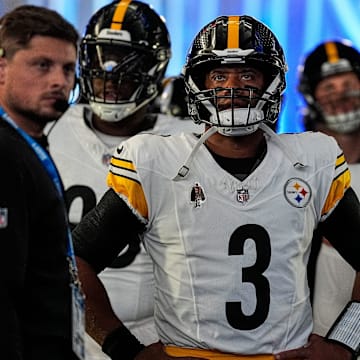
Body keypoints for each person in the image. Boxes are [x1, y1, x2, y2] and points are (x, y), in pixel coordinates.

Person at [73, 15, 360, 360]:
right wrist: (125, 349)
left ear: (271, 82)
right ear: (197, 82)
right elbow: (75, 261)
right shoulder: (157, 161)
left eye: (248, 74)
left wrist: (345, 342)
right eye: (219, 75)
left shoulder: (312, 160)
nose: (232, 88)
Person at [47, 1, 202, 359]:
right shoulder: (49, 127)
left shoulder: (190, 143)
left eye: (126, 61)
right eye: (103, 58)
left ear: (156, 67)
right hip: (54, 326)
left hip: (155, 333)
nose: (111, 73)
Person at [0, 5, 82, 360]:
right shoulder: (4, 154)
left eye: (67, 69)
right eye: (42, 65)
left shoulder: (27, 147)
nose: (58, 82)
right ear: (2, 68)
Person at [297, 39, 360, 341]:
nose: (342, 96)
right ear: (312, 95)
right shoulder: (290, 164)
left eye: (349, 84)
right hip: (310, 335)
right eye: (329, 88)